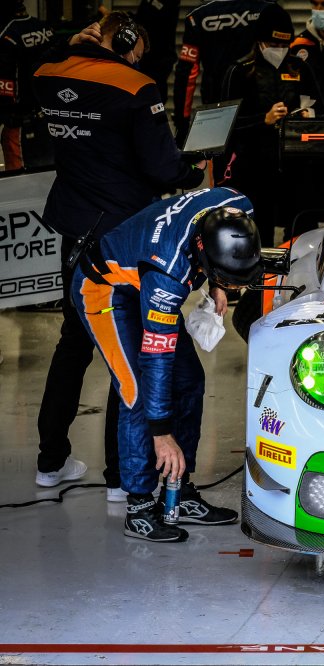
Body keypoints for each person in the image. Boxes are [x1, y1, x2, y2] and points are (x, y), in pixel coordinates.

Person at [32, 12, 207, 500]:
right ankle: (119, 476)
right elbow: (163, 168)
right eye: (137, 51)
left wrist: (70, 44)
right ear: (127, 42)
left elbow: (37, 67)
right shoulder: (135, 86)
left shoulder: (50, 73)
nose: (138, 60)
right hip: (122, 235)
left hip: (74, 226)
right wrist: (195, 170)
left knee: (74, 341)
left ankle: (50, 461)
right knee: (127, 346)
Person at [71, 188, 261, 542]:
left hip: (143, 273)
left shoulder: (238, 206)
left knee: (189, 380)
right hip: (105, 291)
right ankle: (139, 507)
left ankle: (179, 490)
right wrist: (161, 435)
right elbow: (156, 359)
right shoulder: (168, 275)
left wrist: (218, 283)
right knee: (137, 392)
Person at [221, 2, 324, 246]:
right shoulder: (240, 71)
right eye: (273, 44)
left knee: (300, 227)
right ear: (260, 41)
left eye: (284, 45)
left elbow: (322, 108)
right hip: (253, 166)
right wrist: (264, 119)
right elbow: (225, 124)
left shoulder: (300, 68)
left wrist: (309, 115)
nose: (279, 50)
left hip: (294, 162)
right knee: (258, 230)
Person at [173, 0, 275, 142]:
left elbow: (186, 73)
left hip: (216, 105)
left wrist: (182, 122)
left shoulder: (198, 16)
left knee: (215, 153)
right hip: (257, 107)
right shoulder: (267, 9)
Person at [0, 0, 53, 171]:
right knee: (46, 172)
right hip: (49, 116)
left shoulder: (7, 35)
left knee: (18, 178)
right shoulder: (44, 28)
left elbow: (7, 83)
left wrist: (7, 114)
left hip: (20, 122)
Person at [135, 0, 180, 102]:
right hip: (148, 58)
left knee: (155, 96)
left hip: (157, 59)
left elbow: (145, 22)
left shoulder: (166, 4)